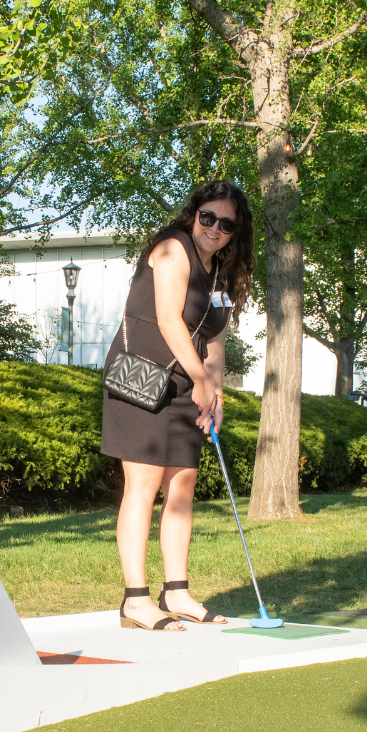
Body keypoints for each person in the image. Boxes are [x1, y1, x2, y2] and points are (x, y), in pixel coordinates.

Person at [102, 182, 252, 630]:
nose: (215, 229)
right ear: (194, 214)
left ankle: (177, 592)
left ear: (235, 231)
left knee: (182, 487)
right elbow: (169, 320)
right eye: (208, 217)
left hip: (187, 386)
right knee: (143, 486)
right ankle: (135, 599)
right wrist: (202, 380)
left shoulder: (223, 276)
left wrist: (216, 392)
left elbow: (217, 343)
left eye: (226, 224)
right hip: (141, 378)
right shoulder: (171, 249)